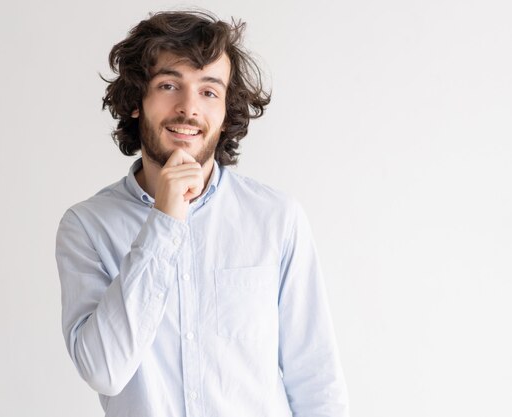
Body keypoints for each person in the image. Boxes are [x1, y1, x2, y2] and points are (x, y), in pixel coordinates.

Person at [55, 10, 349, 417]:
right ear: (137, 100)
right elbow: (105, 371)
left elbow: (316, 381)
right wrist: (164, 221)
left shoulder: (277, 218)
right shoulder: (87, 227)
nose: (188, 108)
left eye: (209, 91)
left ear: (226, 110)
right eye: (169, 85)